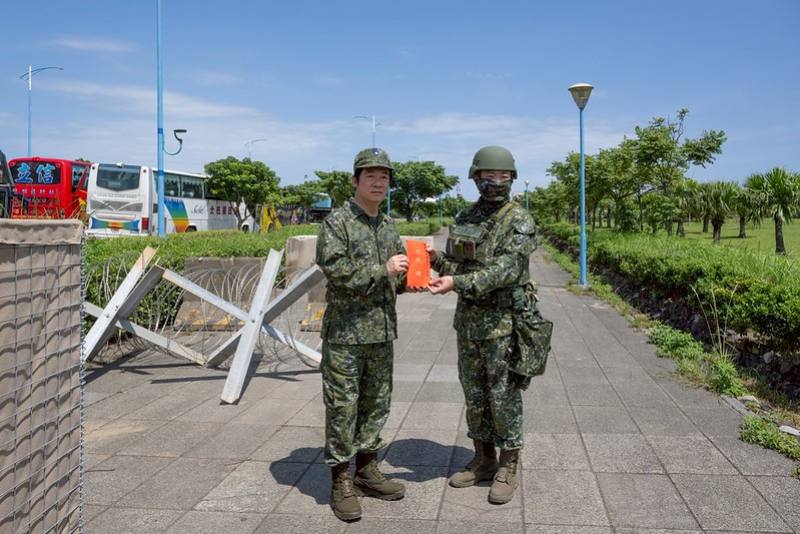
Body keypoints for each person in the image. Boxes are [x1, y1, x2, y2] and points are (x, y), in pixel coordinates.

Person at [428, 146, 537, 504]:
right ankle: (484, 459)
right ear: (476, 178)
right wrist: (435, 260)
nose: (496, 181)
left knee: (504, 397)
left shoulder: (519, 220)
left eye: (503, 176)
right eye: (489, 175)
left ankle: (508, 465)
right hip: (469, 324)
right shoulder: (466, 216)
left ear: (512, 178)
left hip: (504, 324)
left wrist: (456, 282)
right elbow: (457, 264)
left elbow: (506, 270)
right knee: (474, 395)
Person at [315, 147, 408, 521]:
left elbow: (396, 275)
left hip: (381, 334)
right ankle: (341, 480)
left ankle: (367, 470)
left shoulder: (387, 225)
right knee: (343, 407)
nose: (378, 183)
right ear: (355, 181)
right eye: (370, 176)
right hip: (346, 336)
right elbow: (337, 271)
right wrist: (384, 270)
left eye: (384, 177)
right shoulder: (337, 223)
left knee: (376, 404)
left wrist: (413, 274)